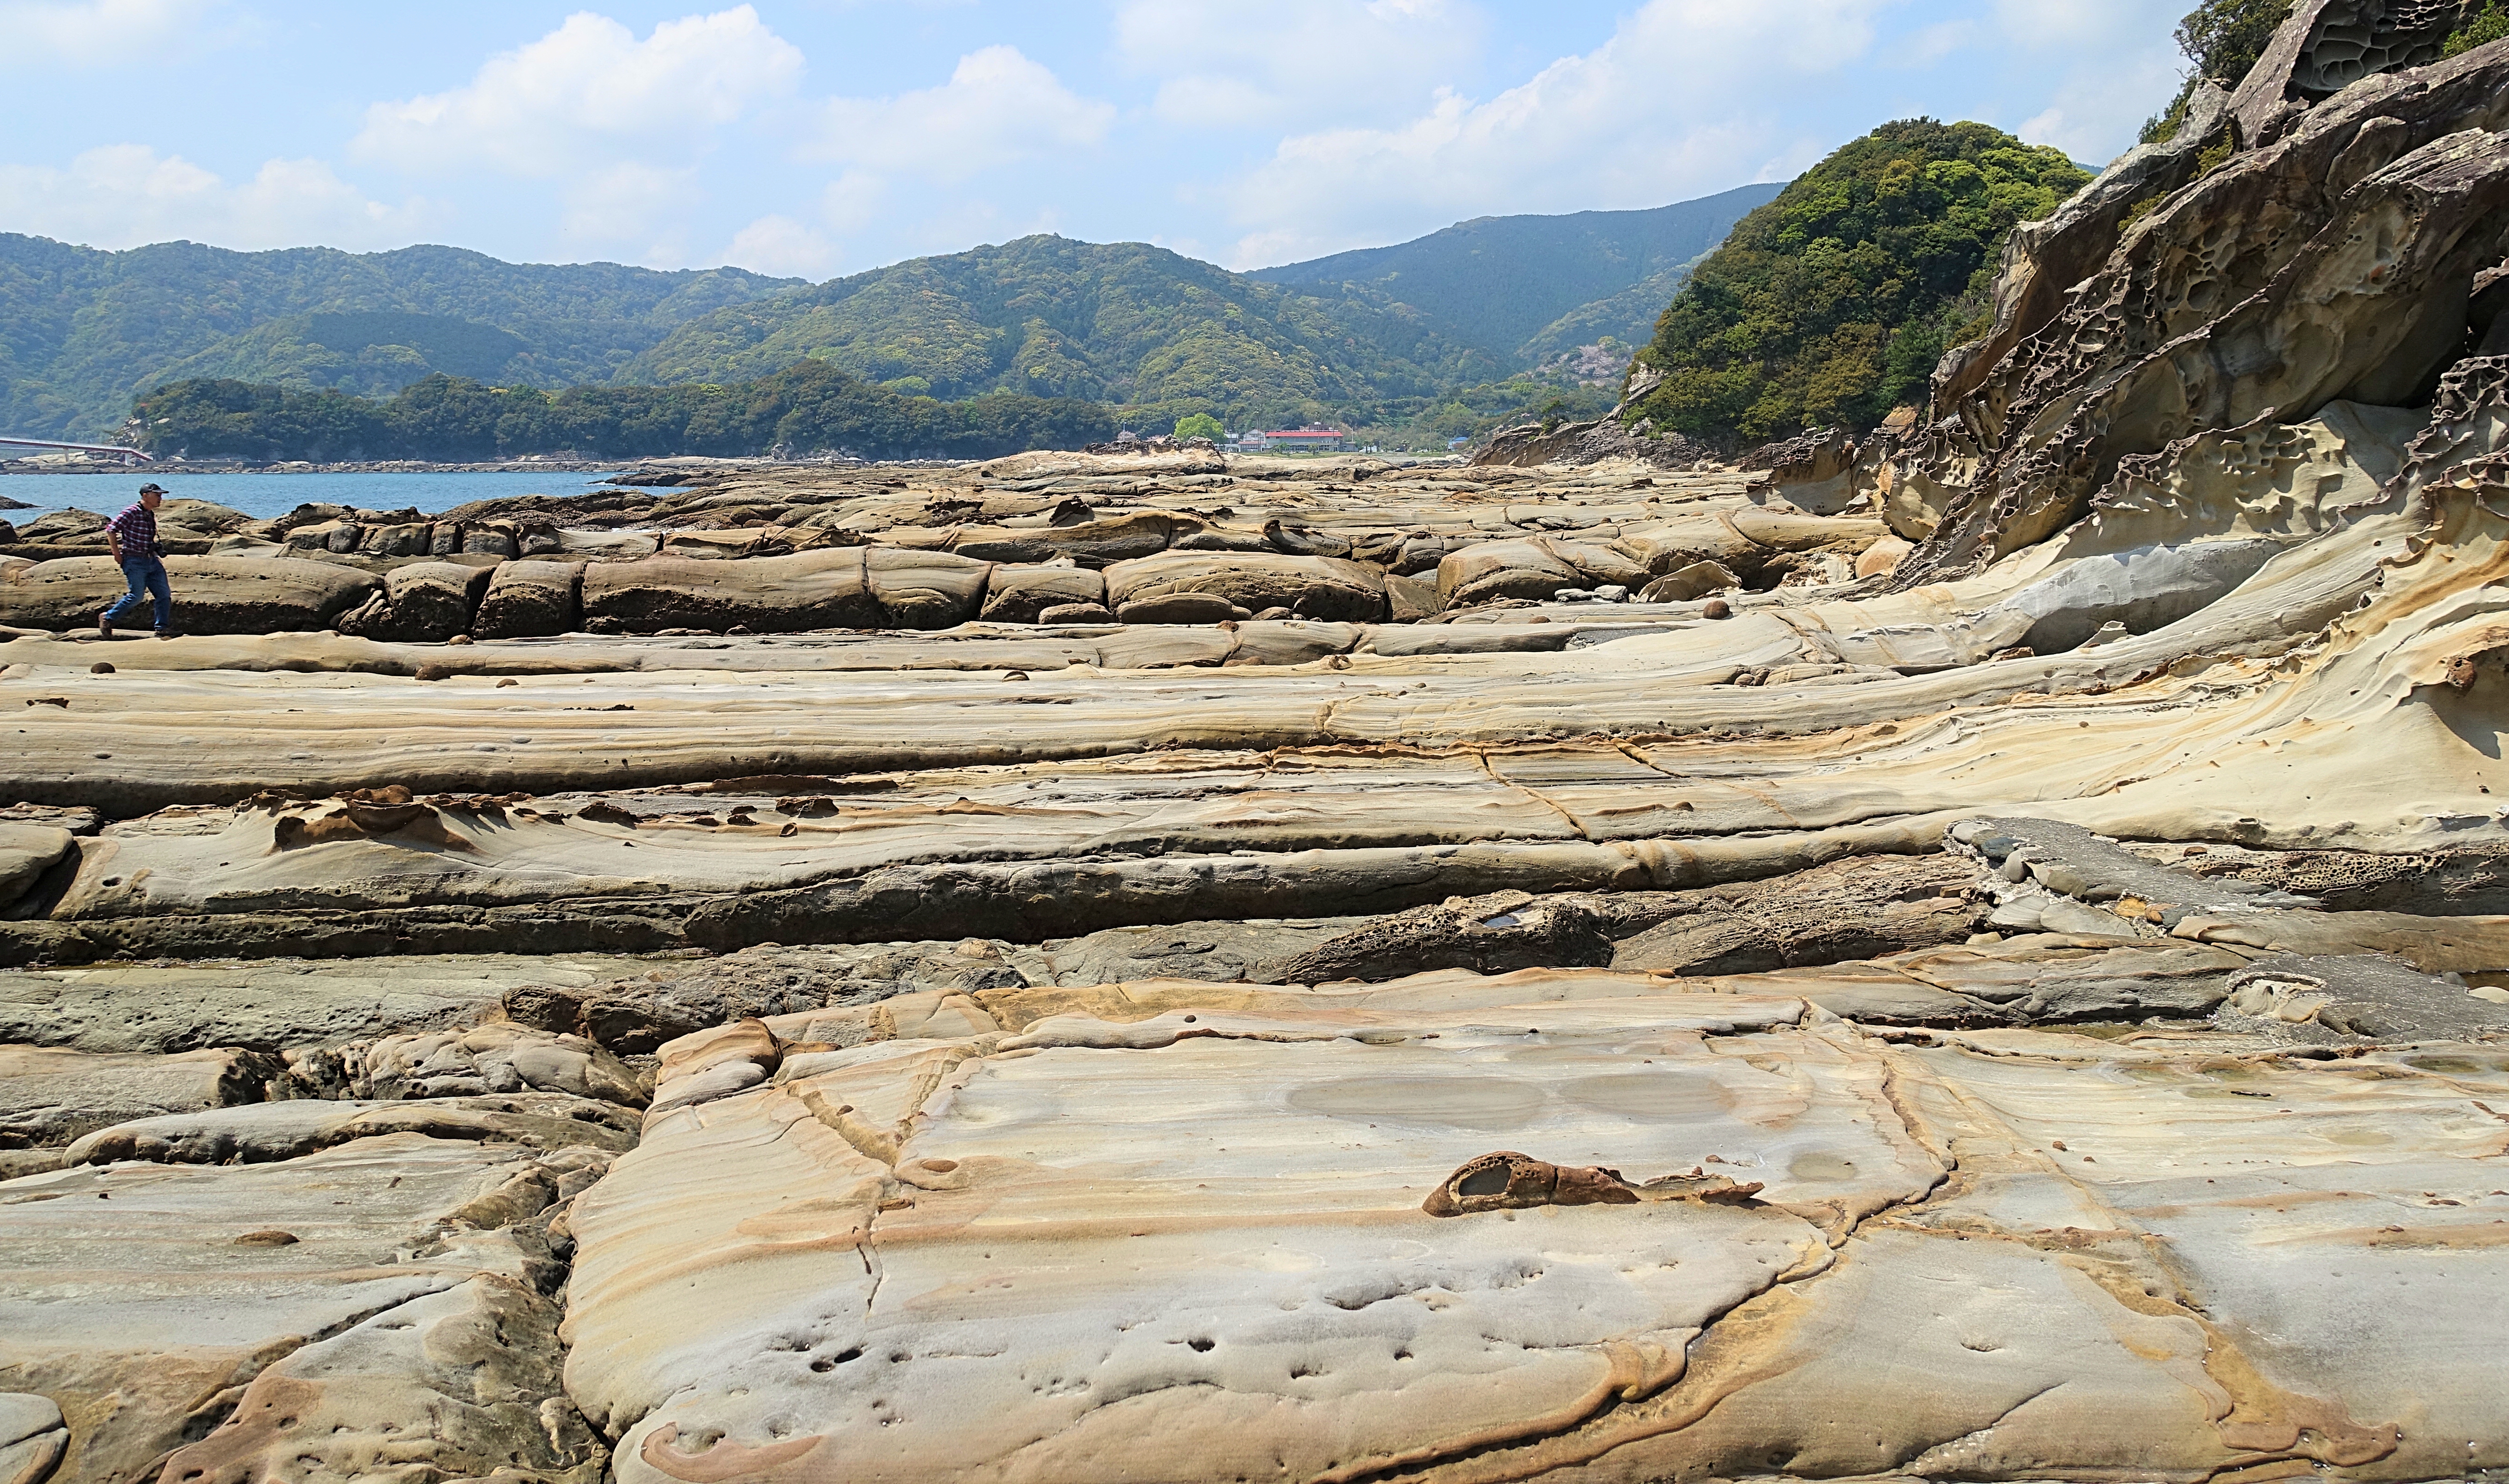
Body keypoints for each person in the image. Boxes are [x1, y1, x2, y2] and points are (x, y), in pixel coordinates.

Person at [99, 482, 180, 639]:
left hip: (152, 561)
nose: (160, 498)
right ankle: (108, 618)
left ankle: (162, 628)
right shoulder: (131, 512)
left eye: (161, 495)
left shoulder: (149, 513)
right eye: (157, 495)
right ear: (145, 496)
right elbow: (111, 530)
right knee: (136, 596)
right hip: (134, 560)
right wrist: (116, 554)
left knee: (164, 594)